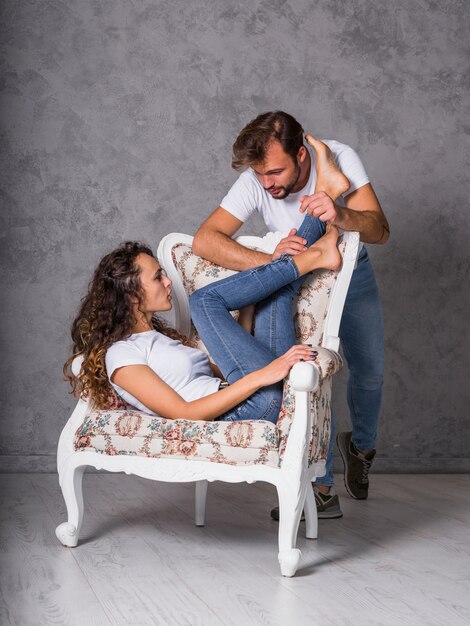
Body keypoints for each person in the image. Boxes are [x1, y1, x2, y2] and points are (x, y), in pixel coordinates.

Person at [192, 111, 390, 519]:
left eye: (276, 172)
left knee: (370, 371)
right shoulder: (258, 177)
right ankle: (319, 488)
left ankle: (361, 448)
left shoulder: (338, 155)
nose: (268, 184)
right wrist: (268, 259)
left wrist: (340, 212)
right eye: (261, 175)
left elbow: (380, 230)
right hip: (297, 276)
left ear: (302, 156)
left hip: (349, 273)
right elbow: (205, 239)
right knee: (308, 371)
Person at [64, 227, 341, 423]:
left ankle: (320, 205)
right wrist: (265, 374)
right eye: (158, 277)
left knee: (275, 294)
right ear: (132, 294)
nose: (168, 281)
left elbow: (235, 368)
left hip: (254, 396)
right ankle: (317, 254)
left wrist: (247, 308)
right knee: (202, 301)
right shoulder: (121, 354)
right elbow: (184, 412)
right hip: (250, 408)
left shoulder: (162, 339)